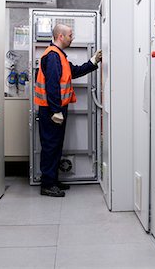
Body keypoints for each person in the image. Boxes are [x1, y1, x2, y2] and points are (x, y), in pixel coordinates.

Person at [34, 24, 102, 197]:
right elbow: (52, 85)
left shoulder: (59, 57)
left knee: (55, 146)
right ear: (60, 37)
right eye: (71, 35)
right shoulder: (52, 56)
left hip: (55, 109)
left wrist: (93, 62)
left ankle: (52, 180)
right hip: (51, 110)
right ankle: (47, 184)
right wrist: (56, 110)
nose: (73, 38)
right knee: (50, 146)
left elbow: (74, 71)